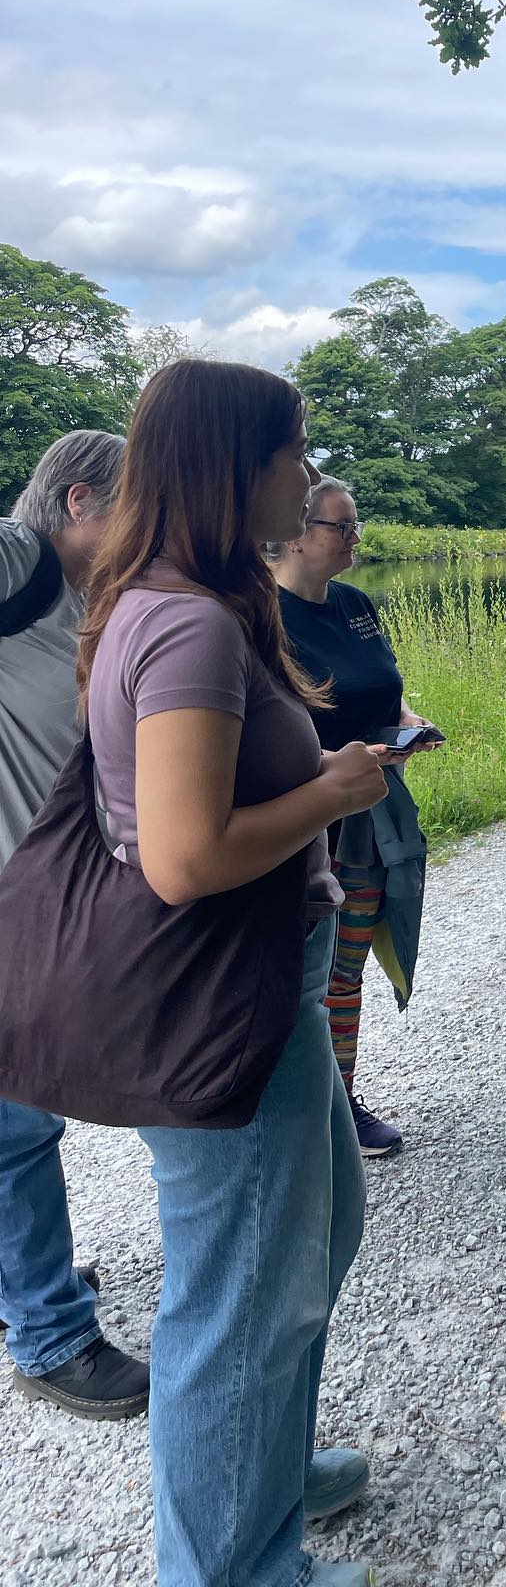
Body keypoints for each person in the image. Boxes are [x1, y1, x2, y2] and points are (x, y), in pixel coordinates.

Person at [79, 359, 388, 1587]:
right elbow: (183, 855)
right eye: (292, 452)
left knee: (313, 1236)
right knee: (237, 1296)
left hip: (266, 982)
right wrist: (333, 789)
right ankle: (234, 1564)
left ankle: (262, 1466)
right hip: (219, 1001)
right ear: (234, 465)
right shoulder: (190, 622)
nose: (307, 477)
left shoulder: (192, 602)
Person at [0, 430, 150, 1421]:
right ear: (82, 504)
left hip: (39, 896)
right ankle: (49, 1331)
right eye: (134, 509)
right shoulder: (21, 561)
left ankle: (27, 1291)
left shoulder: (81, 604)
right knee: (16, 1124)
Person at [273, 476, 436, 1159]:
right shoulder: (263, 616)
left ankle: (341, 1102)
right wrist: (337, 759)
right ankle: (297, 1116)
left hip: (372, 809)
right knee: (300, 969)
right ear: (296, 531)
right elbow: (264, 727)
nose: (355, 538)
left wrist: (406, 722)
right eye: (342, 526)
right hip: (306, 817)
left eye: (356, 524)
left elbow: (383, 687)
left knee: (348, 963)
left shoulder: (356, 604)